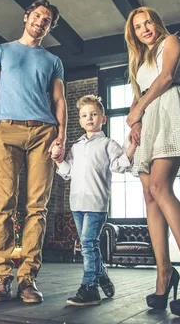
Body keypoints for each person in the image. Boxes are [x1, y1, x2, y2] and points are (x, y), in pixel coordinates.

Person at [123, 6, 180, 319]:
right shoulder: (138, 60)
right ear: (133, 34)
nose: (145, 28)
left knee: (162, 188)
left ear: (157, 22)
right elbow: (138, 96)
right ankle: (164, 274)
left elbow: (166, 77)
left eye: (147, 22)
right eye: (138, 26)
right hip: (148, 120)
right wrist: (135, 122)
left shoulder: (172, 41)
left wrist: (139, 111)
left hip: (169, 112)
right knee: (149, 196)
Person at [0, 0, 67, 304]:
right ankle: (1, 279)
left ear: (49, 27)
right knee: (4, 204)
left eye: (47, 20)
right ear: (26, 17)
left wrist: (62, 136)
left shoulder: (52, 60)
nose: (41, 22)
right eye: (38, 16)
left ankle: (27, 279)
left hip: (43, 132)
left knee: (37, 207)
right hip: (6, 129)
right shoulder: (0, 51)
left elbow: (58, 101)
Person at [52, 95, 138, 306]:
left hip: (96, 204)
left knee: (89, 244)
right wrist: (58, 160)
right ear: (80, 121)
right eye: (84, 115)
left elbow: (120, 165)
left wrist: (133, 146)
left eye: (93, 114)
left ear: (103, 119)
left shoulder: (108, 144)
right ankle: (102, 276)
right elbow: (67, 172)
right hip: (77, 204)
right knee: (89, 245)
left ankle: (90, 288)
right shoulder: (75, 147)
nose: (89, 118)